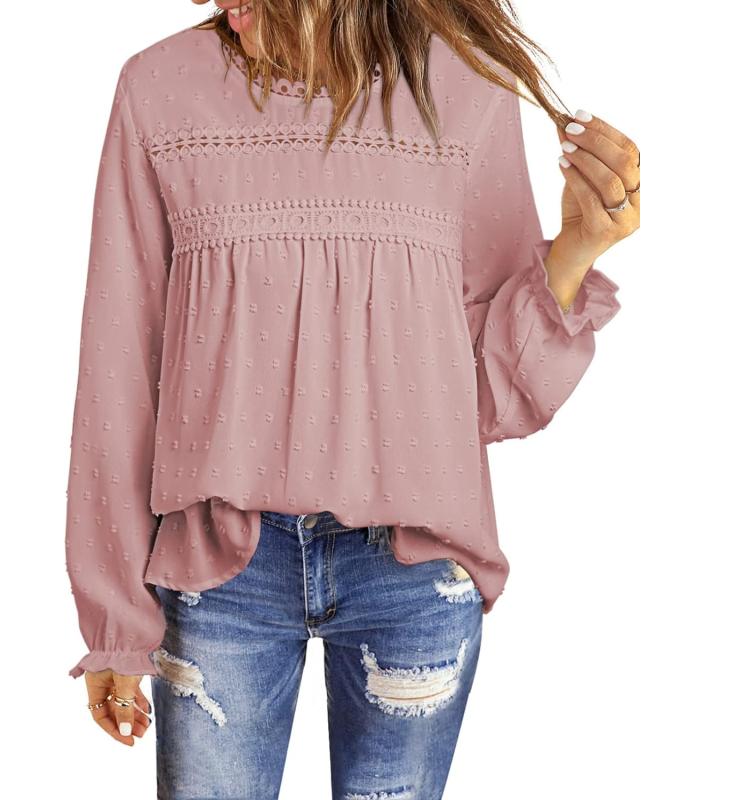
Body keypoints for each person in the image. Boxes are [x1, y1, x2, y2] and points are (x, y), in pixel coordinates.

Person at [64, 1, 639, 796]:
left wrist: (576, 248)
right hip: (219, 571)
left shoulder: (466, 86)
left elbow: (485, 398)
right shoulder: (160, 88)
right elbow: (120, 366)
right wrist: (114, 619)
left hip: (413, 571)